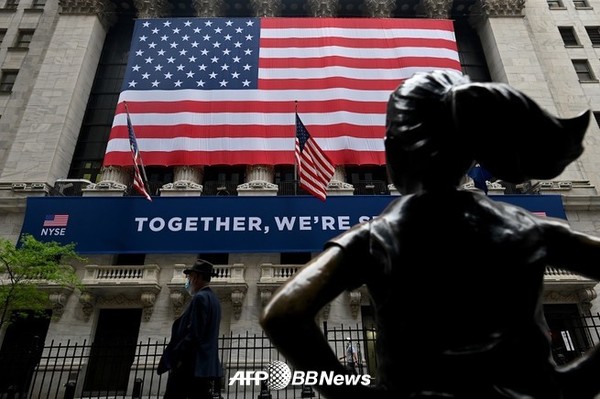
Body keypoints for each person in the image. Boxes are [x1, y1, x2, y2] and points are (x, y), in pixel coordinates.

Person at [260, 69, 600, 398]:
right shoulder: (530, 228)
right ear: (470, 154)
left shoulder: (377, 237)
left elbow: (284, 314)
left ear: (393, 150)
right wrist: (574, 383)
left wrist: (353, 393)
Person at [157, 259, 223, 399]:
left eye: (190, 277)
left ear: (198, 277)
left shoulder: (200, 298)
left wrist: (179, 358)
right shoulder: (214, 300)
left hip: (191, 364)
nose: (188, 280)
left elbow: (195, 333)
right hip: (203, 365)